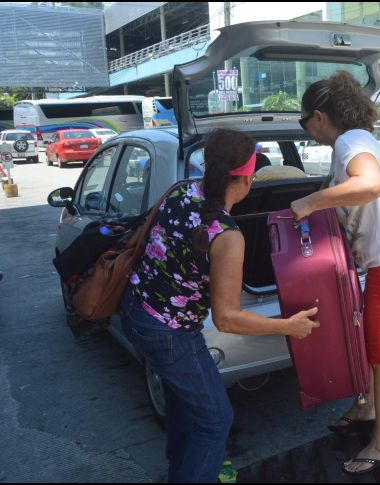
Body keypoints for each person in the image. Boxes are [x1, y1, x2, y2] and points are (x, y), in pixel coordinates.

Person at [120, 129, 320, 483]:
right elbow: (226, 319)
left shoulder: (180, 192)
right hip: (170, 333)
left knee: (185, 405)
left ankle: (181, 472)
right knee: (216, 420)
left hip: (136, 310)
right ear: (246, 179)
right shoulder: (227, 235)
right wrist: (287, 326)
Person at [290, 71, 380, 475]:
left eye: (304, 122)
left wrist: (312, 201)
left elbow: (369, 185)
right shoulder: (356, 141)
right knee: (371, 342)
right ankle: (367, 407)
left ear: (319, 116)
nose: (307, 129)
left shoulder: (350, 141)